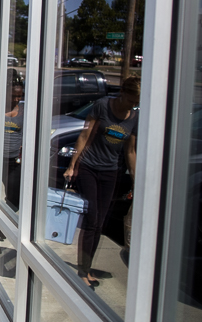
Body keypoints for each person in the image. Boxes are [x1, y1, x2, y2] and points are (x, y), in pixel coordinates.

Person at [63, 76, 140, 290]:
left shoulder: (134, 117)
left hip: (110, 172)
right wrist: (72, 165)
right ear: (123, 92)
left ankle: (86, 268)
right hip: (88, 167)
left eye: (137, 101)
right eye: (132, 99)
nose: (133, 104)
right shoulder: (102, 106)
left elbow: (130, 151)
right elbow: (85, 134)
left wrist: (136, 178)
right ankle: (83, 271)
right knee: (92, 219)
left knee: (100, 222)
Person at [2, 71, 25, 211]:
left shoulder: (23, 110)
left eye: (19, 96)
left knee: (13, 196)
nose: (17, 99)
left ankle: (8, 227)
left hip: (15, 159)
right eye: (13, 96)